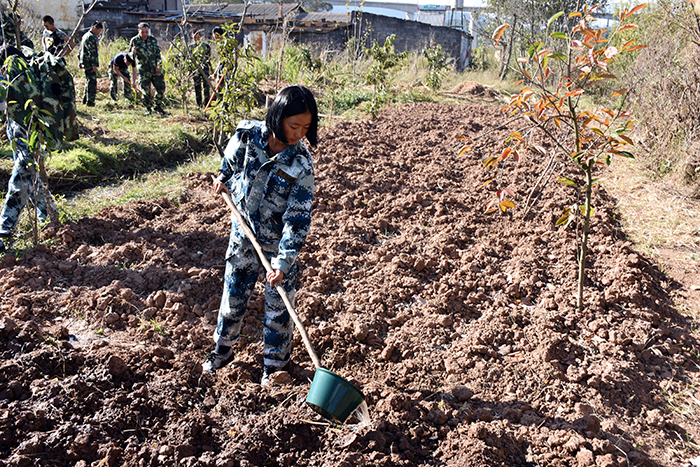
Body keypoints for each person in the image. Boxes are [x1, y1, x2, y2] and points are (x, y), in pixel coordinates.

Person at [202, 85, 318, 387]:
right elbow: (228, 167)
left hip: (277, 248)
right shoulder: (247, 135)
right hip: (243, 235)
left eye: (306, 127)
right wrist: (222, 180)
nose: (299, 133)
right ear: (278, 117)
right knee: (233, 296)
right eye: (294, 125)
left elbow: (297, 218)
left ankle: (275, 367)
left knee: (279, 310)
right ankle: (222, 350)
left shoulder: (301, 164)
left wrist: (284, 262)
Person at [0, 46, 59, 253]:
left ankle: (5, 226)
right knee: (31, 174)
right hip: (22, 128)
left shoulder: (17, 79)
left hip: (26, 129)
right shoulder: (27, 75)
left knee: (24, 172)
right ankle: (49, 216)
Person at [129, 22, 166, 116]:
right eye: (143, 32)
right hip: (143, 70)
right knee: (146, 91)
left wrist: (159, 65)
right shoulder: (134, 41)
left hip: (155, 68)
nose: (145, 34)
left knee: (161, 88)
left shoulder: (152, 39)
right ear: (139, 31)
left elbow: (158, 54)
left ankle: (157, 105)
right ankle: (148, 108)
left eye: (146, 32)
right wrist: (132, 53)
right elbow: (129, 58)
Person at [79, 21, 102, 106]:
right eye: (99, 30)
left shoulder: (85, 35)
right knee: (92, 82)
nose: (99, 32)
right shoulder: (91, 37)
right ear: (95, 28)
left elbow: (80, 50)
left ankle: (85, 100)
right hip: (89, 62)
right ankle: (90, 102)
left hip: (84, 61)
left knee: (88, 81)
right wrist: (94, 65)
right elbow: (93, 52)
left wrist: (80, 61)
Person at [189, 29, 211, 107]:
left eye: (198, 36)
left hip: (205, 68)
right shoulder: (190, 47)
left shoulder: (206, 46)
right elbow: (189, 59)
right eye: (195, 36)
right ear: (192, 35)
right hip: (195, 69)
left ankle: (207, 103)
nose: (197, 38)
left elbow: (208, 58)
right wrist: (189, 70)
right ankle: (199, 104)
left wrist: (211, 68)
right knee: (197, 86)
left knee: (206, 86)